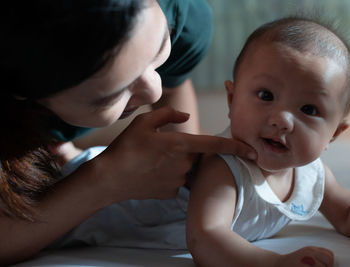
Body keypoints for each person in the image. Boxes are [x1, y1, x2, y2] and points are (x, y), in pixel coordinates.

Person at [0, 0, 256, 265]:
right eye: (112, 95)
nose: (153, 89)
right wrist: (105, 179)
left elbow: (169, 89)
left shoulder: (181, 14)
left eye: (157, 50)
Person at [186, 16, 350, 267]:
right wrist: (275, 263)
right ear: (232, 100)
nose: (282, 120)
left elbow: (348, 211)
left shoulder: (311, 175)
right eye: (266, 95)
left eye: (308, 109)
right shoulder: (223, 166)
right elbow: (205, 237)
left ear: (334, 134)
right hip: (133, 223)